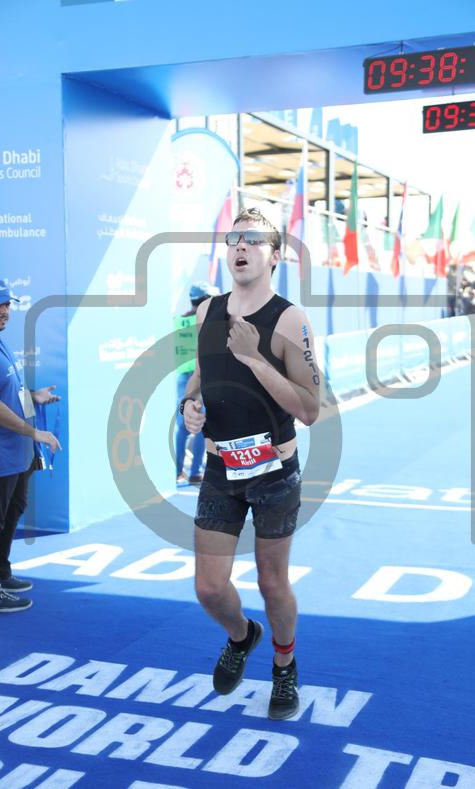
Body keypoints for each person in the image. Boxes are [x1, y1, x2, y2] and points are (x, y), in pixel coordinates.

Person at [180, 207, 320, 719]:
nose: (240, 246)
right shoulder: (206, 312)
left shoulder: (289, 319)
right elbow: (199, 375)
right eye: (234, 238)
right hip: (220, 469)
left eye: (253, 239)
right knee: (208, 587)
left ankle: (285, 665)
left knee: (271, 582)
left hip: (273, 472)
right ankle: (242, 636)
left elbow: (310, 409)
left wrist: (255, 358)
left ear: (274, 255)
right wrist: (189, 405)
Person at [0, 278, 61, 613]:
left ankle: (1, 573)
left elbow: (10, 394)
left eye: (7, 304)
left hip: (15, 453)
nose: (4, 311)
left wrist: (34, 397)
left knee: (13, 509)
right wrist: (35, 434)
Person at [174, 282, 219, 486]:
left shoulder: (178, 321)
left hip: (183, 378)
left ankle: (177, 471)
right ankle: (195, 472)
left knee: (183, 425)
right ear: (205, 300)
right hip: (202, 377)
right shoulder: (207, 322)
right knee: (201, 425)